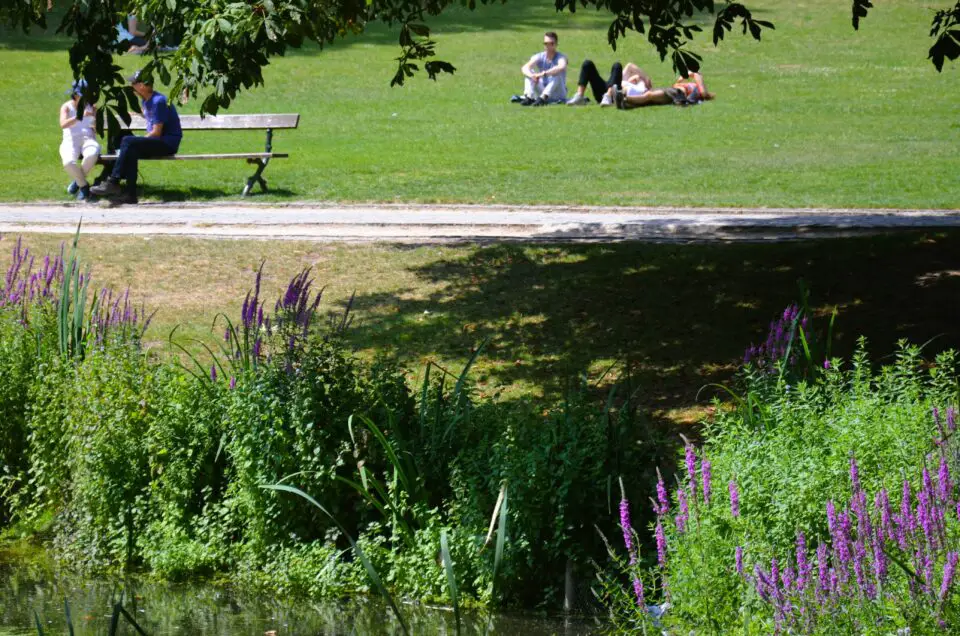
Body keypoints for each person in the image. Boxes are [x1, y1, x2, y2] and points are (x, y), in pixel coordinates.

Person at [90, 71, 182, 205]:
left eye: (133, 83)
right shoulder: (146, 100)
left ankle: (113, 181)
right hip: (157, 141)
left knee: (128, 141)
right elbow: (147, 115)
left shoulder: (159, 101)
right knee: (129, 147)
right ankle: (130, 195)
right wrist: (130, 114)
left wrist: (140, 139)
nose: (131, 85)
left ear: (142, 86)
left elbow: (156, 132)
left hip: (167, 143)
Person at [59, 80, 101, 202]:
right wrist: (79, 116)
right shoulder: (67, 107)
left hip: (88, 139)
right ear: (75, 95)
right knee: (68, 163)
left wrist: (95, 124)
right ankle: (83, 185)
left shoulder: (92, 107)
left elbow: (97, 129)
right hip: (70, 140)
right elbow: (63, 124)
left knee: (92, 154)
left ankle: (78, 182)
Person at [567, 61, 651, 107]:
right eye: (634, 76)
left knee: (617, 65)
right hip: (603, 89)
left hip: (612, 95)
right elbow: (630, 65)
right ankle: (579, 96)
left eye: (636, 79)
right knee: (587, 64)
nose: (634, 78)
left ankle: (608, 96)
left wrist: (640, 79)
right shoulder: (623, 76)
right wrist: (645, 77)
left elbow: (643, 90)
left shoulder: (634, 87)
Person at [618, 71, 715, 109]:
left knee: (649, 96)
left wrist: (695, 74)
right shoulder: (689, 85)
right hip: (673, 92)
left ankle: (624, 98)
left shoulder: (697, 87)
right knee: (649, 98)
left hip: (677, 93)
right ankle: (625, 103)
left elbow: (703, 92)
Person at [519, 31, 568, 106]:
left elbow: (561, 67)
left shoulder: (561, 57)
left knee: (557, 73)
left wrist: (543, 74)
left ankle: (542, 98)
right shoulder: (540, 56)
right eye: (546, 44)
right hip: (542, 89)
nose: (548, 46)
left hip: (558, 93)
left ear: (556, 44)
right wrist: (532, 76)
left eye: (551, 43)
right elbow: (525, 68)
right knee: (530, 72)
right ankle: (529, 97)